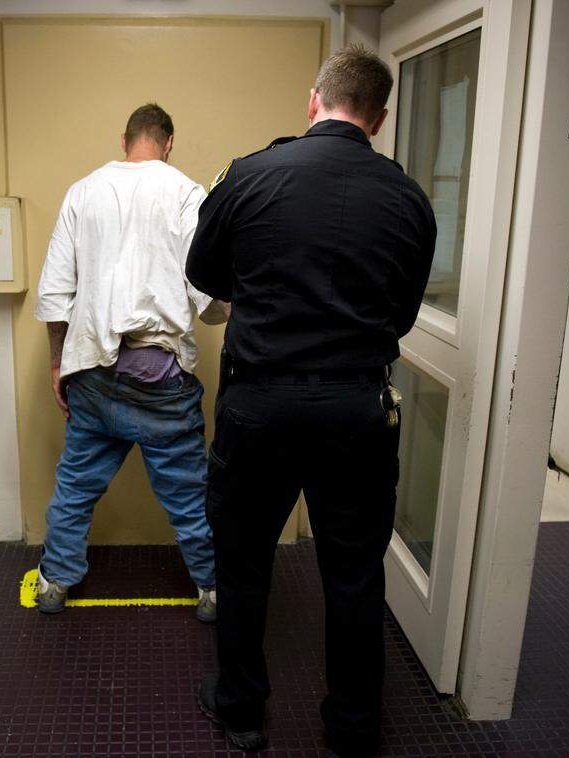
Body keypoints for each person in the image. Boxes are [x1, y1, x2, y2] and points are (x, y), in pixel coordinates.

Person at [185, 45, 437, 755]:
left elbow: (204, 271)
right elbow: (403, 314)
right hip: (357, 410)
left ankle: (241, 710)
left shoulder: (249, 176)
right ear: (378, 119)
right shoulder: (408, 199)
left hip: (259, 406)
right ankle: (353, 728)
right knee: (354, 574)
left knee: (243, 563)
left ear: (313, 100)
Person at [33, 103, 228, 622]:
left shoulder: (83, 191)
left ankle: (54, 582)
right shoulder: (186, 193)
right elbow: (210, 297)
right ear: (169, 144)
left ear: (125, 141)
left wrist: (57, 365)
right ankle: (212, 589)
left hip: (93, 375)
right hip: (160, 379)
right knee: (188, 495)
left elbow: (55, 294)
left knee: (76, 485)